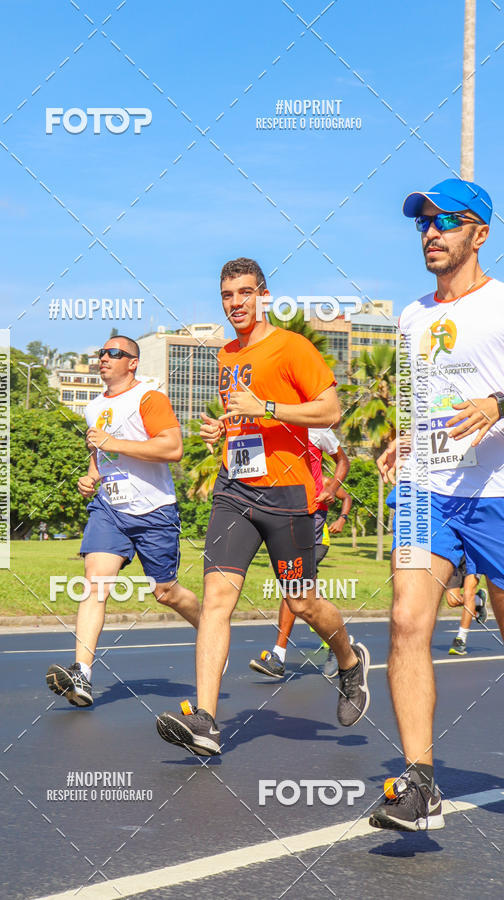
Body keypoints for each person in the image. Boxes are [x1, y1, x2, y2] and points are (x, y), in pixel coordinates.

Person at [156, 257, 370, 755]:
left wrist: (267, 408)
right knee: (216, 600)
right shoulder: (227, 354)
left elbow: (331, 409)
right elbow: (241, 421)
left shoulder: (292, 347)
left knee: (301, 603)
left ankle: (348, 659)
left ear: (264, 295)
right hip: (236, 490)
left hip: (289, 496)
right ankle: (206, 720)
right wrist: (221, 432)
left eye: (245, 293)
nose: (236, 304)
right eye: (228, 296)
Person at [370, 179, 504, 831]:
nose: (431, 231)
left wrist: (497, 406)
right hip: (428, 491)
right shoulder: (412, 315)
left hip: (498, 495)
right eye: (421, 221)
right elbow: (420, 393)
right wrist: (405, 437)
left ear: (480, 233)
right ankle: (419, 781)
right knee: (406, 621)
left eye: (447, 220)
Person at [46, 336, 201, 707]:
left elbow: (172, 448)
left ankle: (211, 628)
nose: (104, 358)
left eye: (114, 353)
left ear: (132, 363)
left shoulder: (149, 398)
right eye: (101, 352)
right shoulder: (94, 406)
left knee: (166, 592)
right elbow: (102, 456)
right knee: (94, 585)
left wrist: (113, 442)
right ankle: (81, 675)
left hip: (154, 511)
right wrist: (91, 477)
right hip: (109, 509)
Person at [248, 429, 353, 679]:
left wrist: (342, 518)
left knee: (293, 586)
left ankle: (279, 655)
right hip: (291, 522)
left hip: (318, 536)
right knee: (307, 595)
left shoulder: (323, 470)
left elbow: (346, 495)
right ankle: (338, 643)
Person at [444, 557, 487, 656]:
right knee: (452, 600)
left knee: (469, 594)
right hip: (456, 554)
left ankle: (461, 639)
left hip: (473, 552)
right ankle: (478, 600)